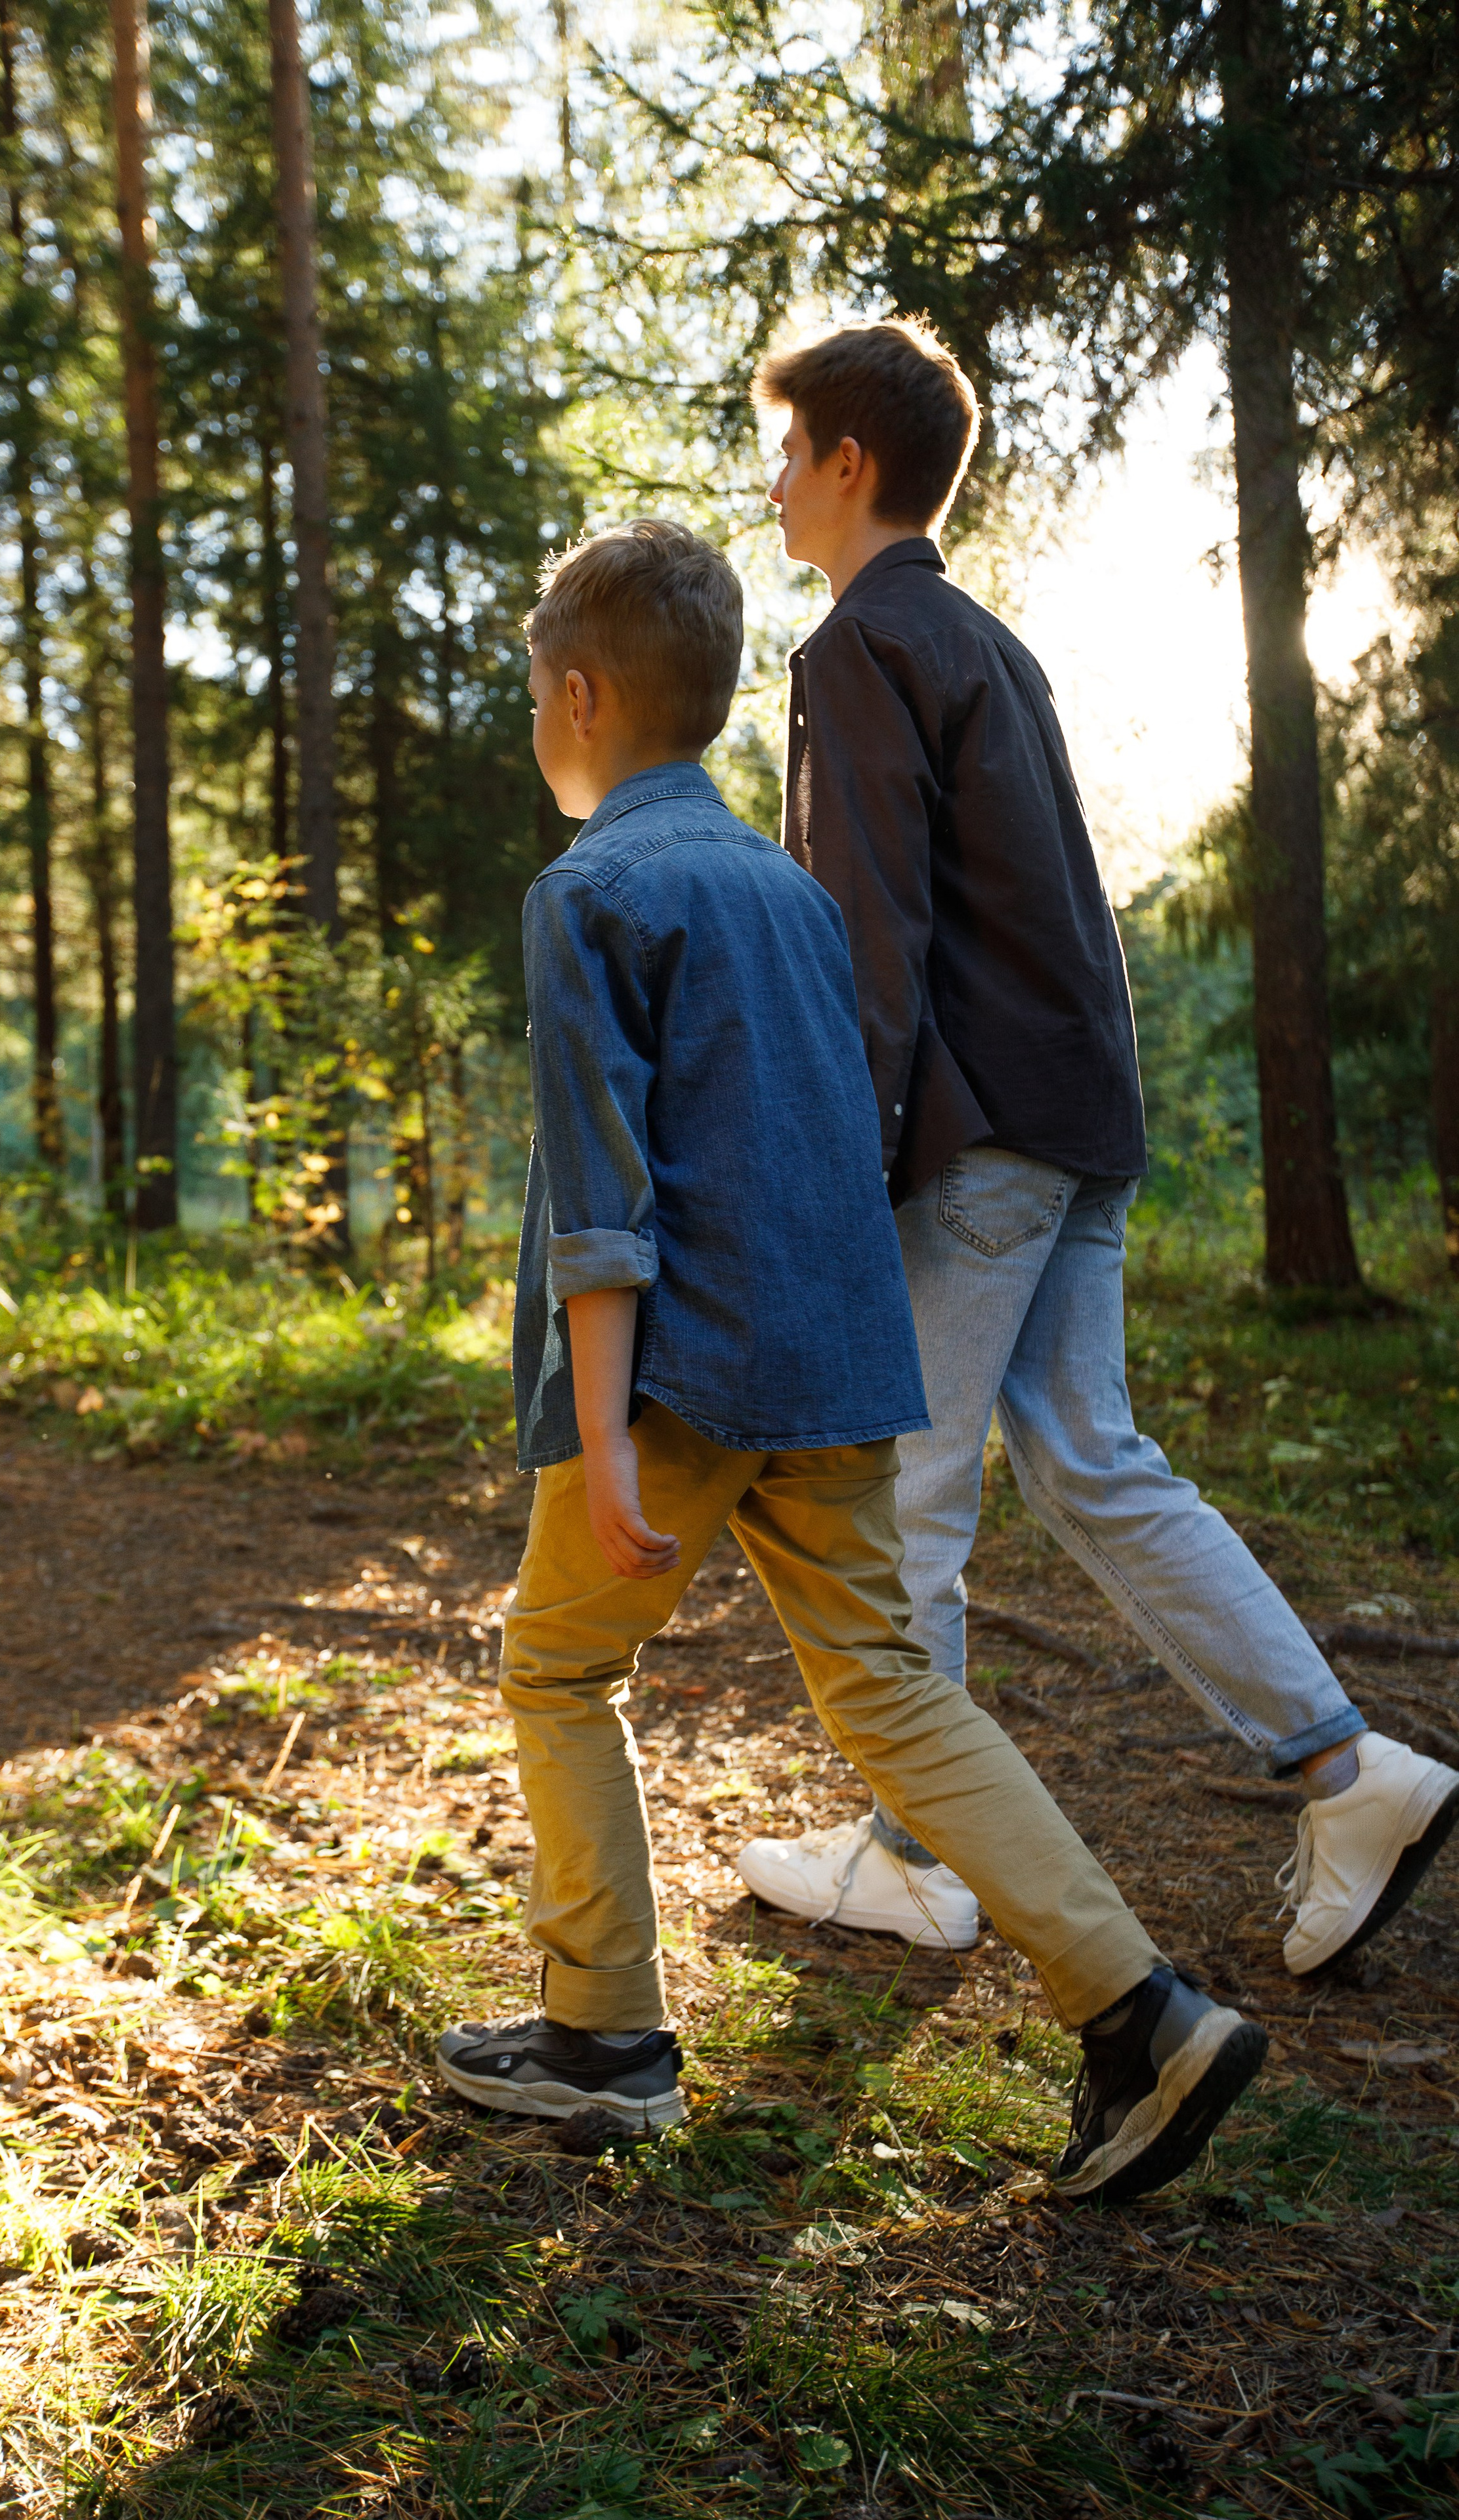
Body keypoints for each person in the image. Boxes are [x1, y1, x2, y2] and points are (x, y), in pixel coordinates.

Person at [435, 516, 1267, 2208]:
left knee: (555, 1669)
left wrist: (598, 1437)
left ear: (577, 696)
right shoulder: (790, 897)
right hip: (835, 1365)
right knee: (890, 1687)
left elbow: (603, 1203)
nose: (536, 722)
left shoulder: (588, 891)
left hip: (674, 1380)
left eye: (534, 695)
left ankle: (603, 2038)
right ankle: (1138, 2006)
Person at [734, 318, 1459, 1979]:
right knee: (1088, 1459)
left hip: (973, 1139)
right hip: (1074, 1118)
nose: (771, 484)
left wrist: (837, 1171)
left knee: (898, 1496)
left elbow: (871, 935)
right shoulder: (991, 645)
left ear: (850, 464)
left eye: (785, 452)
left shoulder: (855, 651)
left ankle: (913, 1856)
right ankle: (1352, 1774)